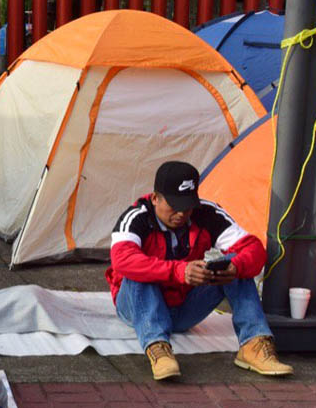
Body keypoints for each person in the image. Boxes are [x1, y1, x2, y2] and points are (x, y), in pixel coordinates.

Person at [107, 161, 293, 380]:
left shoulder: (206, 213)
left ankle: (253, 344)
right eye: (174, 205)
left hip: (184, 308)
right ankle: (157, 346)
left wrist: (235, 267)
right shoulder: (136, 217)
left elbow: (254, 249)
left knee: (236, 263)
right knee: (138, 269)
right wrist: (178, 271)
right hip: (135, 307)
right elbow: (122, 260)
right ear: (155, 198)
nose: (182, 213)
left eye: (187, 205)